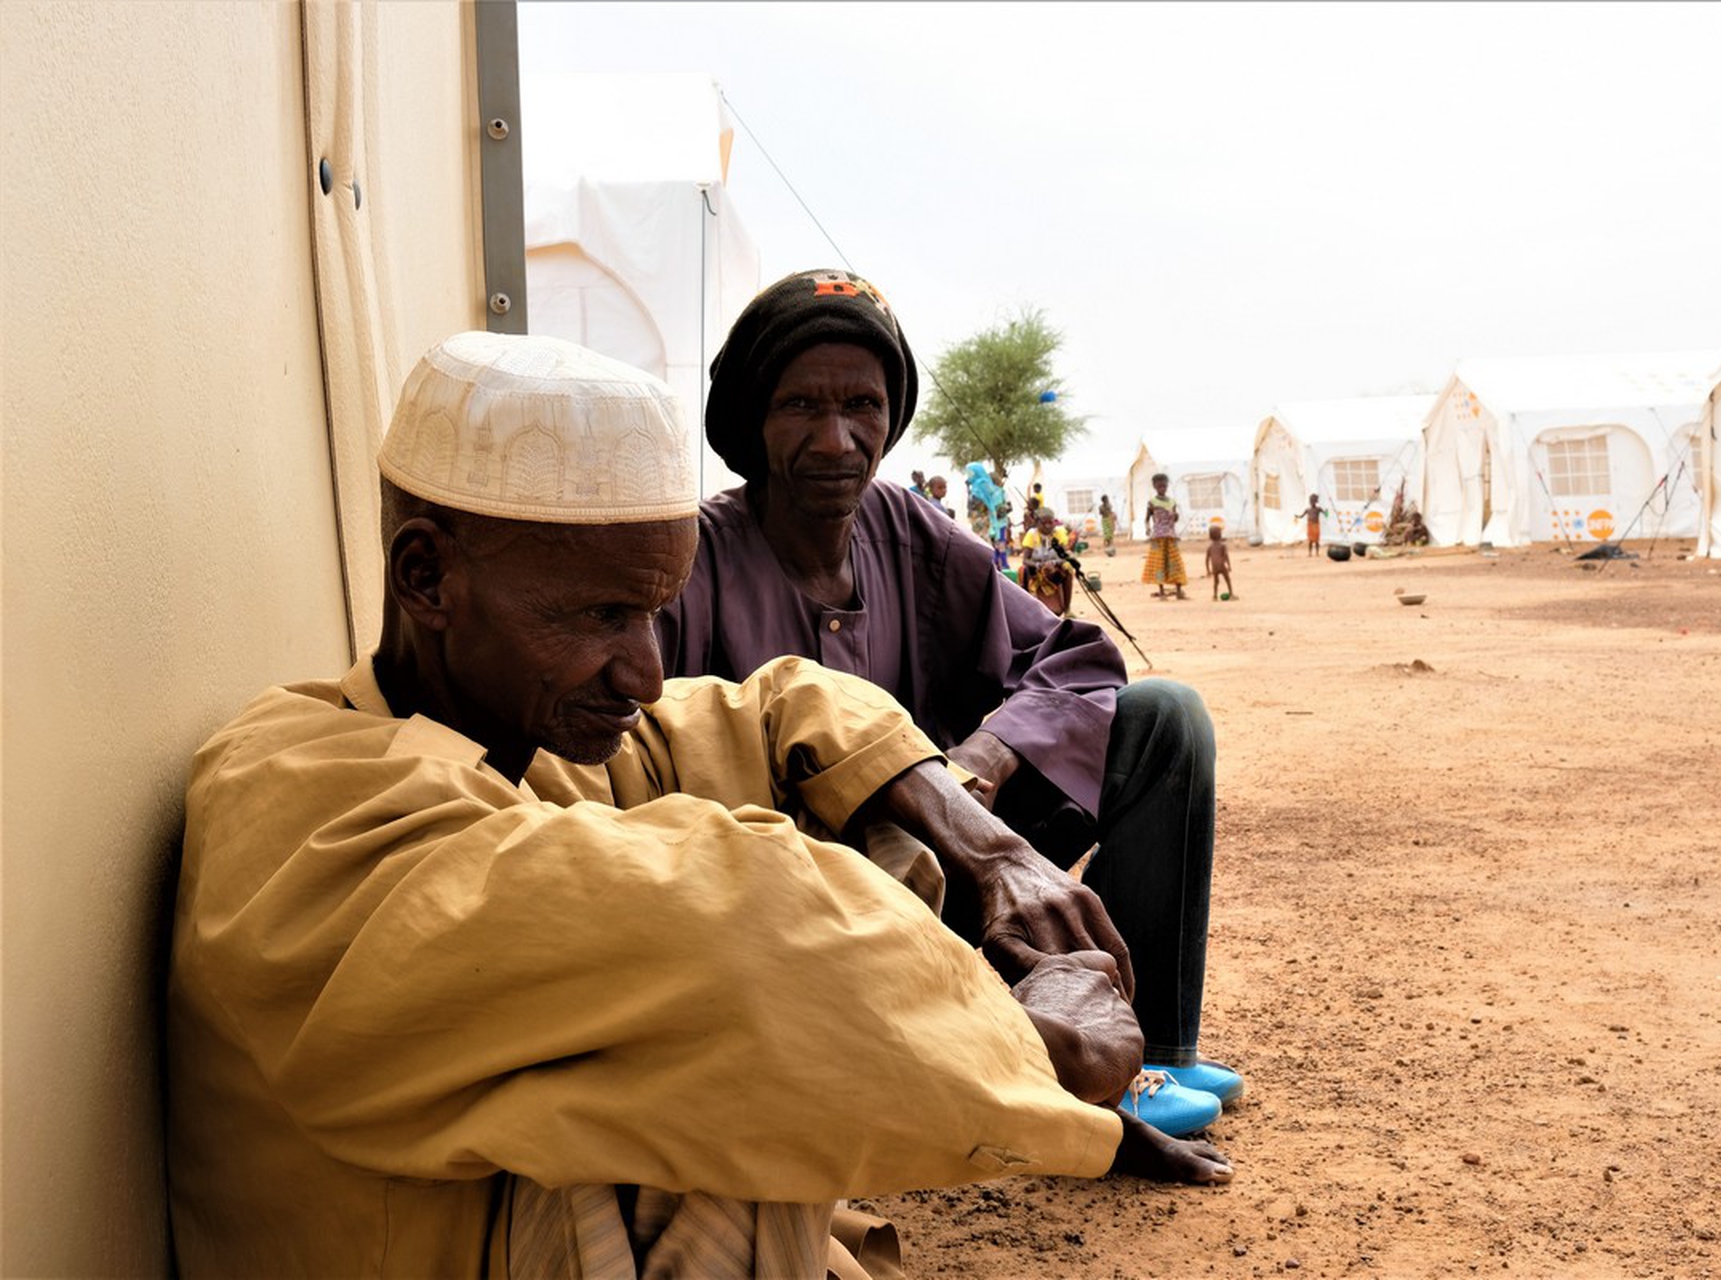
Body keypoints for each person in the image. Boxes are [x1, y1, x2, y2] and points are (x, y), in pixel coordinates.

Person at [167, 332, 1227, 1279]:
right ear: (428, 576)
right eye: (602, 615)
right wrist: (1026, 1040)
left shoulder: (517, 734)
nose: (642, 668)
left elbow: (772, 703)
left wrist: (990, 846)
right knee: (692, 1110)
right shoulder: (300, 799)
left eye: (658, 614)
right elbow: (737, 943)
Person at [659, 269, 1244, 1138]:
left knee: (1165, 718)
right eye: (800, 407)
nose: (836, 439)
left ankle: (1146, 1048)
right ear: (752, 420)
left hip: (958, 868)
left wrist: (981, 761)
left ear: (892, 419)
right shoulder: (697, 559)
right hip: (806, 920)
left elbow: (1073, 659)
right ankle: (1001, 1042)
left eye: (862, 405)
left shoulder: (912, 532)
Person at [1019, 505, 1076, 617]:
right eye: (1044, 523)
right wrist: (1039, 565)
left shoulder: (1058, 533)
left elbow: (1064, 556)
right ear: (1037, 523)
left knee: (1068, 569)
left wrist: (1055, 563)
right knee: (1024, 571)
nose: (1048, 526)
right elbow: (1025, 560)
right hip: (1036, 570)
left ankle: (1067, 608)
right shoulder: (1032, 535)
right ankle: (1030, 606)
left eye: (1051, 523)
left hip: (1054, 568)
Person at [1141, 472, 1188, 599]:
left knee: (1175, 563)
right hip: (1158, 537)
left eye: (1164, 485)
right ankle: (1161, 592)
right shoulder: (1152, 502)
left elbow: (1175, 518)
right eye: (1159, 486)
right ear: (1155, 486)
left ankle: (1178, 591)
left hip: (1171, 536)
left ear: (1167, 486)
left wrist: (1176, 517)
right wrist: (1147, 528)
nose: (1162, 488)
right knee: (1159, 564)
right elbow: (1146, 519)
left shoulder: (1172, 502)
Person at [1205, 519, 1235, 601]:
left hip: (1214, 567)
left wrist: (1208, 570)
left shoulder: (1210, 547)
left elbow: (1207, 559)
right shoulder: (1222, 545)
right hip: (1222, 566)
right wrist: (1229, 566)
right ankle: (1231, 594)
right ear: (1220, 535)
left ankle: (1215, 596)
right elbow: (1226, 556)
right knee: (1227, 579)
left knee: (1216, 582)